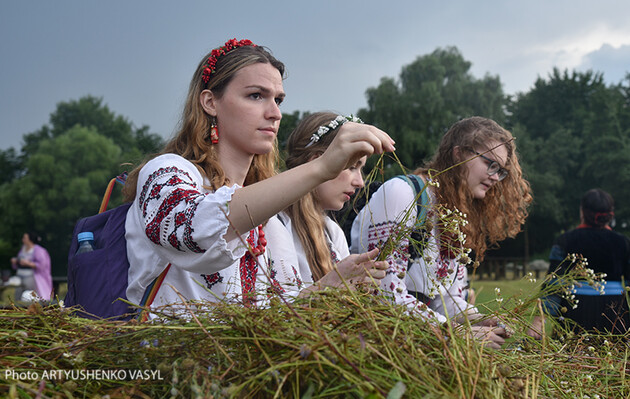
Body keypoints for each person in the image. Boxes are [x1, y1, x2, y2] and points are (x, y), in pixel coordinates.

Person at [121, 39, 395, 314]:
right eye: (255, 95)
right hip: (167, 355)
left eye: (278, 100)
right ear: (210, 102)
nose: (275, 113)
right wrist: (321, 168)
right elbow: (195, 227)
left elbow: (274, 316)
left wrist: (328, 287)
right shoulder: (167, 173)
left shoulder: (273, 222)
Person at [351, 116, 532, 348]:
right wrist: (455, 332)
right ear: (458, 154)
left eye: (501, 171)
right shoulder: (403, 194)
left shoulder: (456, 215)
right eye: (491, 164)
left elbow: (444, 298)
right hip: (374, 342)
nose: (496, 177)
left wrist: (482, 320)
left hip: (416, 341)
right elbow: (383, 293)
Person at [266, 112, 389, 295]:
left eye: (361, 169)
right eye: (352, 167)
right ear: (317, 161)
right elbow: (283, 309)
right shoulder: (274, 223)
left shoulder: (332, 232)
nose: (360, 182)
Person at [528, 189, 630, 338]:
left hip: (574, 312)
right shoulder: (624, 243)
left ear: (582, 211)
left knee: (572, 358)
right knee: (613, 358)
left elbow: (554, 284)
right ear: (610, 214)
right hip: (615, 314)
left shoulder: (565, 240)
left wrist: (539, 321)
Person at [10, 231, 53, 301]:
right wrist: (16, 261)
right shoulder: (23, 248)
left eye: (24, 238)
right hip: (20, 275)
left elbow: (42, 265)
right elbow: (19, 260)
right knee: (18, 293)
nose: (23, 240)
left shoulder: (39, 250)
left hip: (30, 277)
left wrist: (28, 263)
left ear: (30, 239)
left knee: (28, 295)